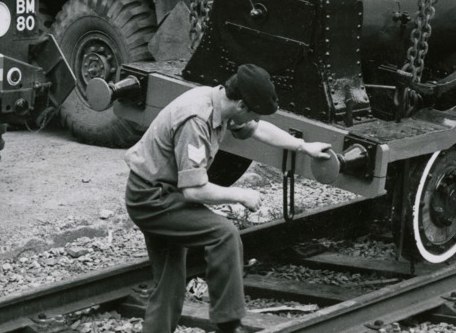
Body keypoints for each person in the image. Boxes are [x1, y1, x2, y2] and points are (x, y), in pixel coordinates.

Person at [123, 64, 335, 333]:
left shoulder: (220, 101)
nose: (254, 118)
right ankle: (228, 325)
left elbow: (259, 130)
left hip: (159, 192)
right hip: (153, 199)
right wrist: (241, 195)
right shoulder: (197, 120)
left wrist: (304, 147)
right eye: (254, 112)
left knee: (170, 284)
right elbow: (194, 191)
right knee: (224, 234)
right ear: (243, 105)